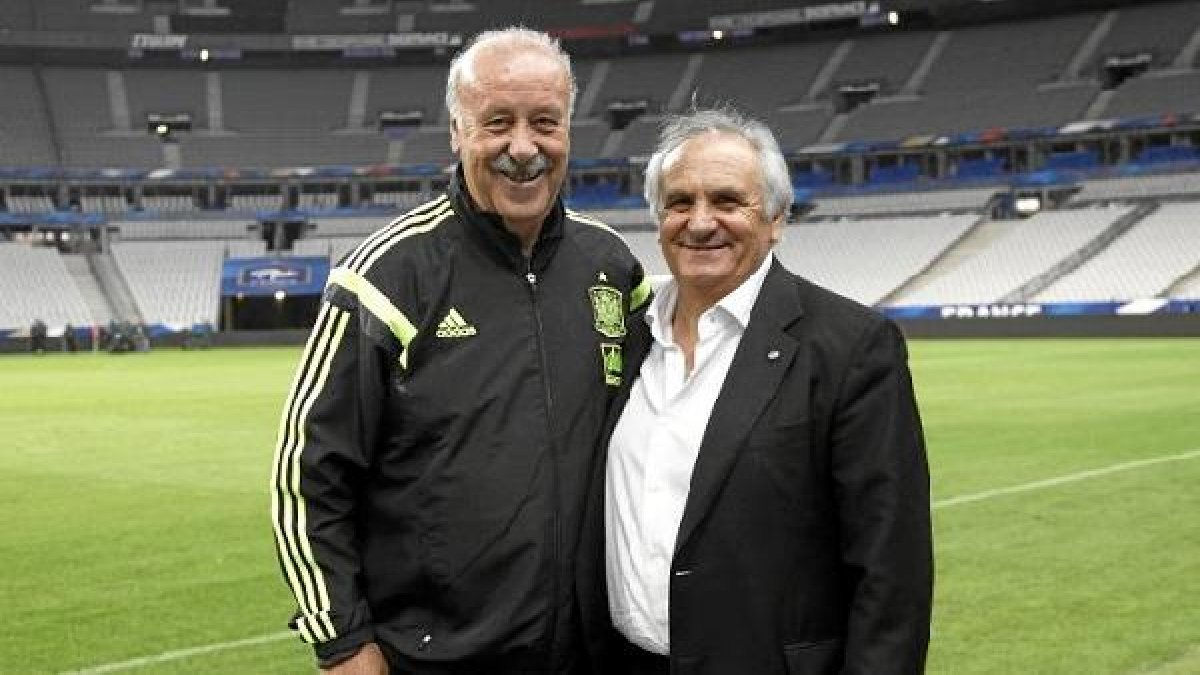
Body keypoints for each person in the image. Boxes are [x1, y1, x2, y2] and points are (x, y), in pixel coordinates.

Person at [269, 27, 650, 675]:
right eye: (497, 122)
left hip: (594, 655)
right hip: (437, 660)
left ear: (569, 132)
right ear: (456, 131)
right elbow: (306, 476)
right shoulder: (384, 277)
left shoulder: (612, 268)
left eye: (544, 123)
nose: (523, 148)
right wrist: (342, 642)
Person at [576, 108, 933, 675]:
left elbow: (892, 573)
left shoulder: (851, 347)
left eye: (726, 201)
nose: (699, 222)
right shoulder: (627, 334)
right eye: (680, 203)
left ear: (775, 218)